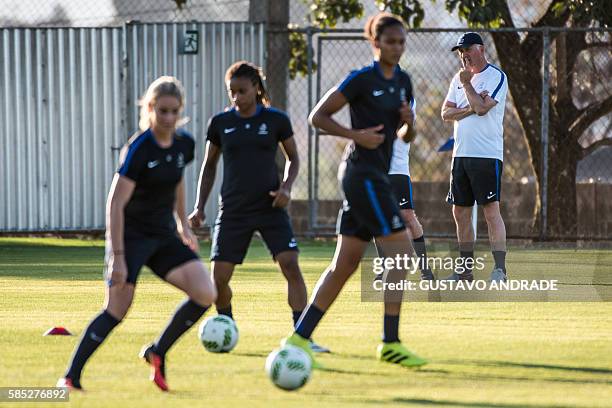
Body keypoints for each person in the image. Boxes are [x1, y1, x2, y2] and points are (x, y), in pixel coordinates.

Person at [279, 13, 427, 369]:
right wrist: (355, 136)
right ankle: (390, 342)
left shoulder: (404, 81)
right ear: (375, 43)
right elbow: (318, 117)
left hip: (375, 173)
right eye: (390, 41)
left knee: (344, 264)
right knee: (403, 255)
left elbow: (407, 136)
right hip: (361, 174)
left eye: (401, 42)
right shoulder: (362, 79)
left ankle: (299, 336)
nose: (397, 47)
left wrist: (409, 124)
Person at [57, 76, 217, 392]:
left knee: (206, 293)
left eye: (174, 111)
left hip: (163, 236)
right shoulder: (140, 148)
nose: (168, 118)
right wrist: (117, 258)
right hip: (130, 238)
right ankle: (70, 377)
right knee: (117, 310)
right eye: (162, 111)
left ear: (180, 111)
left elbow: (177, 182)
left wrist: (183, 226)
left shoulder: (184, 144)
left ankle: (157, 352)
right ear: (149, 108)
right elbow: (115, 203)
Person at [188, 61, 328, 353]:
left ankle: (302, 335)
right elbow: (209, 166)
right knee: (218, 280)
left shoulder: (276, 120)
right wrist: (199, 206)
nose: (236, 97)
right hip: (233, 210)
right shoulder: (220, 123)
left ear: (257, 88)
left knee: (290, 265)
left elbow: (293, 159)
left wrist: (287, 188)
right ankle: (226, 325)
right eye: (232, 92)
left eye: (242, 91)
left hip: (270, 208)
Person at [441, 32, 509, 282]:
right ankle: (465, 270)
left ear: (480, 49)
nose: (463, 54)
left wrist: (468, 85)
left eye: (467, 49)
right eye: (460, 51)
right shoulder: (456, 80)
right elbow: (446, 113)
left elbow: (483, 110)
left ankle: (499, 269)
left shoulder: (496, 77)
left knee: (491, 212)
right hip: (461, 156)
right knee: (460, 212)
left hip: (487, 155)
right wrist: (471, 105)